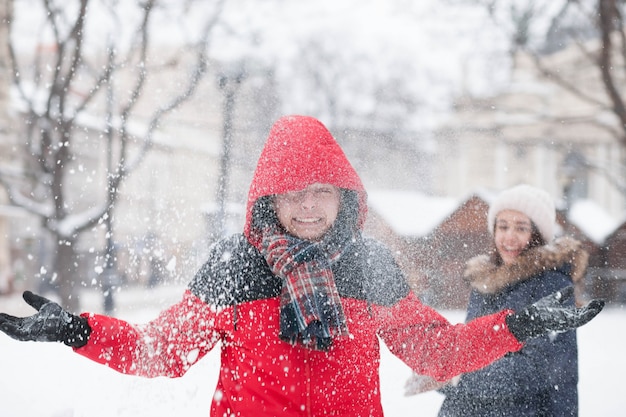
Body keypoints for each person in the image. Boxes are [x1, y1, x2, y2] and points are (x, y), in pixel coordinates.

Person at [0, 117, 603, 417]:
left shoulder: (369, 263)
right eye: (293, 194)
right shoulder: (236, 264)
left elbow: (435, 353)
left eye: (321, 191)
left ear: (343, 194)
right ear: (270, 200)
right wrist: (78, 330)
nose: (308, 206)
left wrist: (519, 326)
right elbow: (163, 351)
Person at [429, 184, 589, 416]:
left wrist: (458, 374)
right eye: (502, 226)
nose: (509, 237)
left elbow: (539, 368)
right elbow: (469, 348)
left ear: (537, 235)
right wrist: (440, 370)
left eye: (521, 228)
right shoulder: (484, 284)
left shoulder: (551, 285)